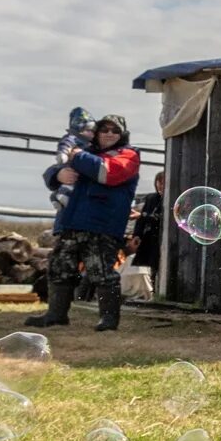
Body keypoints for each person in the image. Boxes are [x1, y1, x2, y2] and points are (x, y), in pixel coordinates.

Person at [27, 115, 141, 332]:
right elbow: (53, 169)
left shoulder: (129, 155)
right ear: (96, 132)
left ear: (122, 135)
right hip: (71, 223)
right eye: (104, 129)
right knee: (59, 268)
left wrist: (77, 156)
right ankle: (56, 315)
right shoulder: (86, 151)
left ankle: (109, 320)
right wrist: (58, 174)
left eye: (115, 131)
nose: (109, 134)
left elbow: (108, 173)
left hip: (102, 225)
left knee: (101, 272)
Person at [124, 171, 165, 300]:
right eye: (159, 182)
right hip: (150, 237)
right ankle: (154, 293)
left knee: (160, 266)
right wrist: (136, 235)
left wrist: (141, 215)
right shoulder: (151, 198)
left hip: (162, 238)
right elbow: (141, 219)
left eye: (163, 183)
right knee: (152, 266)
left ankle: (159, 294)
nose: (160, 186)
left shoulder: (170, 199)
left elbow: (160, 218)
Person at [50, 107, 97, 210]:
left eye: (93, 131)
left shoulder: (91, 144)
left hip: (80, 169)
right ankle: (62, 196)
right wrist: (63, 153)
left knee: (72, 180)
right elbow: (65, 144)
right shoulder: (74, 139)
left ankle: (56, 196)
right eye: (89, 130)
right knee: (71, 180)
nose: (92, 134)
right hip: (72, 165)